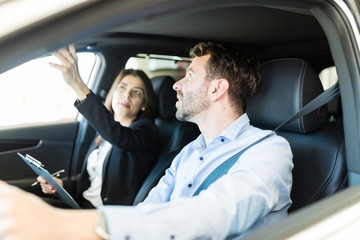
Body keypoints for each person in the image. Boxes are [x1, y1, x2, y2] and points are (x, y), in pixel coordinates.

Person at [0, 42, 293, 239]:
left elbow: (216, 214)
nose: (176, 83)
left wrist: (79, 225)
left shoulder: (269, 151)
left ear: (217, 89)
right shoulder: (189, 152)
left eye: (189, 74)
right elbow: (149, 209)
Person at [37, 44, 159, 208]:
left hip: (103, 215)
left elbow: (119, 136)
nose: (127, 95)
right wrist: (60, 184)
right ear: (113, 93)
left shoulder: (146, 133)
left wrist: (77, 83)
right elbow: (92, 181)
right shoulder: (104, 133)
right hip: (81, 204)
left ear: (144, 104)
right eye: (122, 88)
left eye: (136, 92)